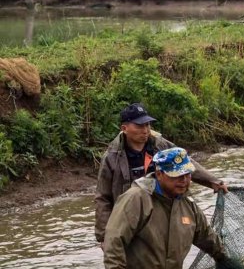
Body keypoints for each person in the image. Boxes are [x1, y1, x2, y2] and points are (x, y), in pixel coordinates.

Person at [103, 147, 227, 269]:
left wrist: (227, 260)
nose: (184, 181)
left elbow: (207, 238)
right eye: (177, 176)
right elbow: (113, 242)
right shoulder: (136, 199)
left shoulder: (188, 205)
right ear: (159, 174)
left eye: (187, 175)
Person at [95, 103, 227, 246]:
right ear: (124, 129)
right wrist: (104, 236)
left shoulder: (159, 144)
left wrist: (212, 181)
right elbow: (103, 197)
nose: (145, 130)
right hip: (130, 216)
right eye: (139, 126)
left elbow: (185, 162)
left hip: (162, 210)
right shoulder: (111, 157)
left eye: (147, 125)